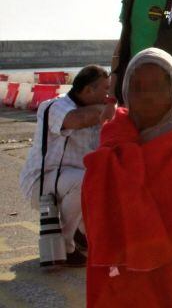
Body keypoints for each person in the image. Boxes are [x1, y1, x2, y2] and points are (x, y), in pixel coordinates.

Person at [82, 48, 172, 307]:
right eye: (137, 87)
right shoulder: (114, 138)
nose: (147, 95)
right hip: (124, 274)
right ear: (126, 91)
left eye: (157, 86)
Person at [19, 65, 111, 266]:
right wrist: (110, 108)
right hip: (41, 183)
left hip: (69, 182)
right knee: (84, 181)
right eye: (106, 89)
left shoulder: (98, 113)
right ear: (88, 90)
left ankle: (81, 233)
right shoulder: (54, 106)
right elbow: (76, 120)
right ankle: (65, 246)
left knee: (106, 185)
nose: (109, 94)